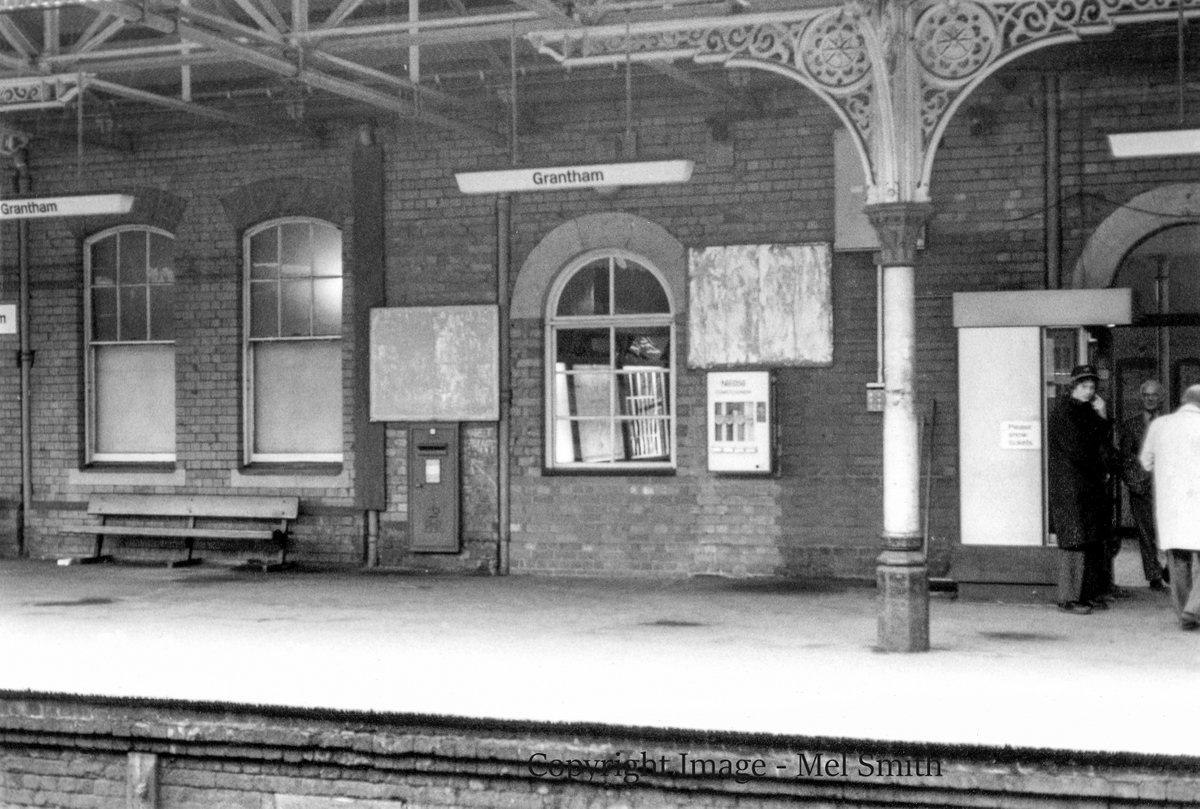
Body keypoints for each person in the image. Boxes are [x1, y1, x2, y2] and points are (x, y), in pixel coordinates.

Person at [1048, 364, 1114, 615]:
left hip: (1084, 485)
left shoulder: (1084, 410)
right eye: (1084, 387)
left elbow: (1103, 436)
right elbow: (1078, 449)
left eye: (1092, 387)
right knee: (1074, 540)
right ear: (1073, 386)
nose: (1089, 391)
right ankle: (1069, 598)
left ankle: (1084, 595)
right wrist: (1100, 470)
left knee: (1086, 539)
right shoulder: (1064, 413)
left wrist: (1103, 412)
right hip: (1070, 485)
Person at [1139, 383, 1200, 630]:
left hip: (1172, 504)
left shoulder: (1159, 425)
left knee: (1178, 560)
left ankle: (1185, 611)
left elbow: (1145, 462)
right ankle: (1193, 608)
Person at [1119, 379, 1167, 591]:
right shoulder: (1131, 425)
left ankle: (1170, 570)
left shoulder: (1169, 423)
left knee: (1169, 531)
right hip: (1142, 488)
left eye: (1154, 394)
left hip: (1167, 487)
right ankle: (1154, 575)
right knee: (1146, 533)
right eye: (1146, 395)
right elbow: (1125, 457)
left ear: (1161, 397)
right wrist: (1135, 482)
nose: (1149, 398)